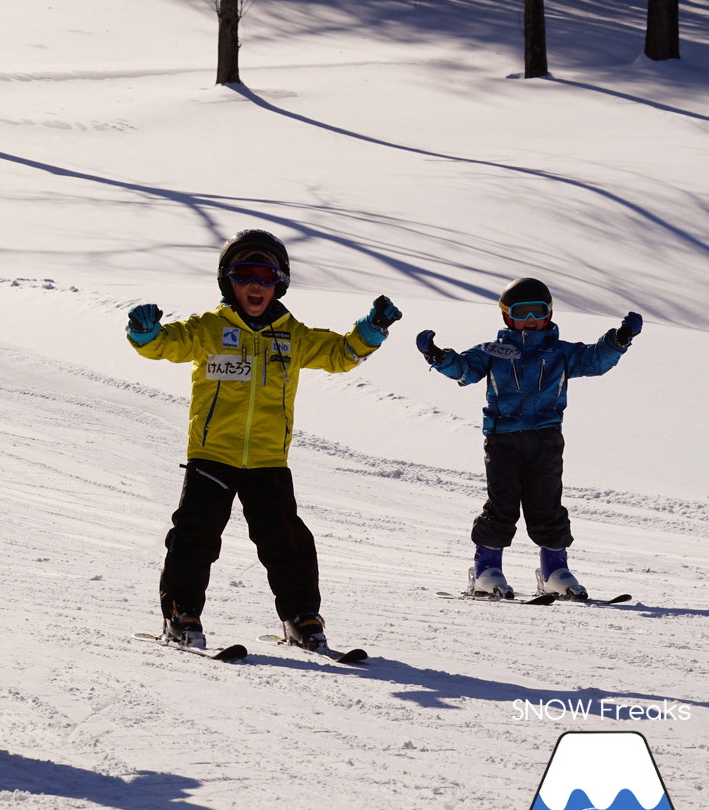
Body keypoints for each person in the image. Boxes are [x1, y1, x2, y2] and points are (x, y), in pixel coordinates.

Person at [126, 228, 401, 652]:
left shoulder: (293, 336)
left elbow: (340, 353)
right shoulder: (209, 329)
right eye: (245, 274)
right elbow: (167, 345)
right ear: (227, 281)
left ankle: (302, 617)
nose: (256, 285)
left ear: (280, 284)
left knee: (288, 542)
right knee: (194, 537)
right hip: (212, 455)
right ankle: (182, 615)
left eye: (267, 276)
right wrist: (146, 334)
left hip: (269, 459)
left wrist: (371, 330)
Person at [415, 277, 642, 600]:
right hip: (502, 439)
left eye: (538, 312)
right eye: (522, 313)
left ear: (549, 313)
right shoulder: (493, 352)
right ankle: (486, 570)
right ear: (508, 316)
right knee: (503, 503)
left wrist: (618, 340)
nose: (531, 320)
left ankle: (555, 572)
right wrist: (439, 357)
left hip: (545, 437)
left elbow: (595, 360)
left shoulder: (561, 353)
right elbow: (465, 370)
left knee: (546, 503)